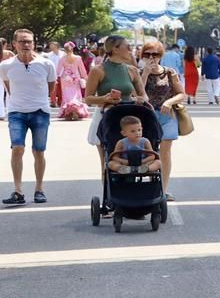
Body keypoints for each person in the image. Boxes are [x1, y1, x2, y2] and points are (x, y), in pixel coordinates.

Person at [2, 28, 56, 205]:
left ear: (34, 44)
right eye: (22, 41)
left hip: (40, 111)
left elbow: (50, 87)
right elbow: (9, 87)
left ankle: (39, 189)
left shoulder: (46, 64)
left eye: (29, 41)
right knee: (17, 148)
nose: (26, 45)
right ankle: (18, 191)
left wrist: (38, 101)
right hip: (16, 112)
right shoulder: (6, 65)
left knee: (39, 151)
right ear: (14, 44)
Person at [85, 34, 146, 165]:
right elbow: (88, 99)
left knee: (132, 159)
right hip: (106, 117)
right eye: (128, 47)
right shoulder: (98, 70)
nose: (131, 50)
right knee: (107, 162)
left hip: (129, 118)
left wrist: (140, 99)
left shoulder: (132, 70)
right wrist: (104, 98)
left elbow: (143, 95)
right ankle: (107, 184)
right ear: (115, 49)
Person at [138, 39, 186, 198]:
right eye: (147, 54)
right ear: (142, 55)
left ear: (161, 55)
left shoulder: (169, 72)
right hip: (146, 117)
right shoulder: (137, 73)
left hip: (166, 116)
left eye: (155, 54)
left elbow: (181, 94)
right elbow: (138, 95)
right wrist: (145, 73)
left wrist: (169, 101)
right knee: (147, 151)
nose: (151, 57)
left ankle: (163, 190)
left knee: (165, 151)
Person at [57, 41, 88, 110]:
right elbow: (82, 70)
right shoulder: (78, 58)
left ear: (65, 49)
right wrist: (86, 78)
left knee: (67, 96)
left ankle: (68, 111)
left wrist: (57, 77)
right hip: (76, 78)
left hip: (65, 78)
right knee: (76, 95)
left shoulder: (62, 59)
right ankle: (76, 110)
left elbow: (58, 71)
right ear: (73, 49)